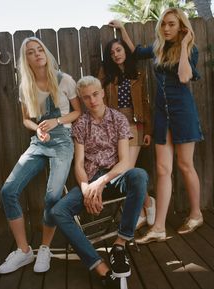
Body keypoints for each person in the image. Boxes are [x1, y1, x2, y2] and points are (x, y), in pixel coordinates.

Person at [109, 7, 204, 244]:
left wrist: (184, 45)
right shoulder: (158, 48)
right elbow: (136, 51)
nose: (166, 28)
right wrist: (122, 29)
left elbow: (184, 76)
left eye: (171, 24)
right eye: (163, 24)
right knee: (163, 170)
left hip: (183, 113)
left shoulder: (190, 50)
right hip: (162, 115)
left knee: (185, 164)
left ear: (181, 26)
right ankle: (159, 227)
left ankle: (196, 214)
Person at [51, 76, 149, 289]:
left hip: (115, 177)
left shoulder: (119, 119)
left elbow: (124, 162)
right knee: (58, 211)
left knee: (140, 175)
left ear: (102, 92)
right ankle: (101, 268)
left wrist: (102, 182)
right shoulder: (81, 124)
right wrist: (87, 188)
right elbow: (78, 164)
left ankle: (120, 244)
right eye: (86, 97)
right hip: (91, 180)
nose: (92, 100)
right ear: (83, 100)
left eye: (95, 94)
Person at [0, 37, 81, 274]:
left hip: (63, 142)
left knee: (53, 197)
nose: (37, 54)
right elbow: (26, 118)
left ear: (45, 52)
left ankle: (44, 248)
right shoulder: (26, 86)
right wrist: (38, 130)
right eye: (31, 52)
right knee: (8, 191)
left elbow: (77, 111)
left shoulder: (64, 80)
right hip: (39, 142)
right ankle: (24, 251)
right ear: (27, 60)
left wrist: (57, 121)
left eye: (40, 50)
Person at [98, 38, 155, 229]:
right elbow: (99, 100)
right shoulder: (107, 75)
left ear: (125, 51)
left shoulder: (137, 73)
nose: (116, 54)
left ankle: (139, 211)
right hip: (115, 127)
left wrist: (147, 130)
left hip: (135, 124)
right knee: (126, 170)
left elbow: (145, 102)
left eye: (119, 50)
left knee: (127, 168)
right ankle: (147, 202)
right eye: (112, 52)